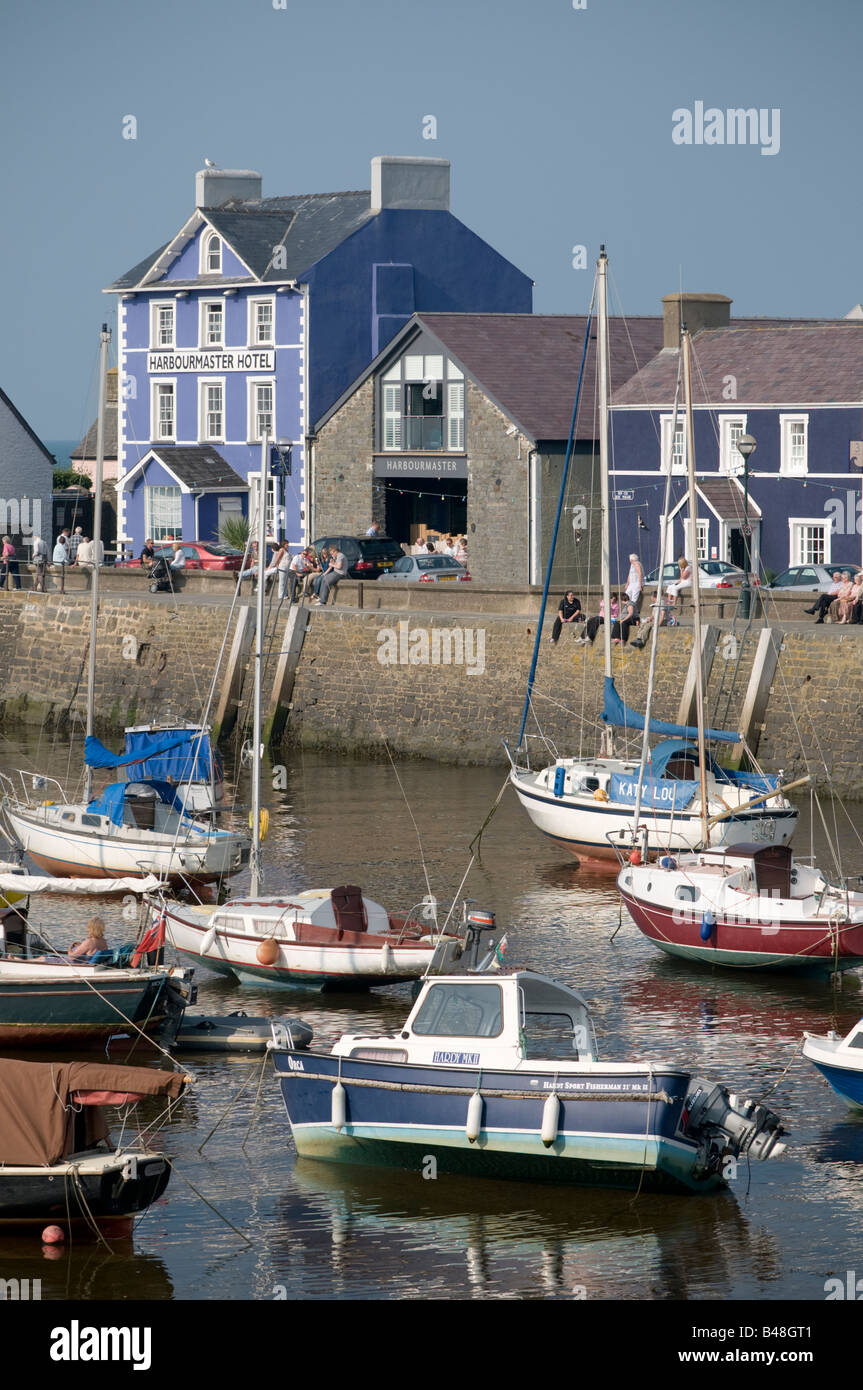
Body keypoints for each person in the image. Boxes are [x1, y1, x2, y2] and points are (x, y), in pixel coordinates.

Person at [625, 553, 644, 618]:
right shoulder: (632, 565)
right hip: (631, 583)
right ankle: (629, 610)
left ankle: (632, 612)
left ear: (631, 559)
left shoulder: (637, 564)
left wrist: (640, 583)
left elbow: (640, 573)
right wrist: (627, 583)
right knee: (626, 595)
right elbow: (629, 574)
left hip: (636, 583)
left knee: (634, 598)